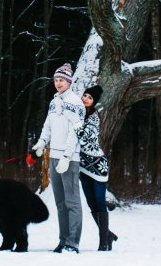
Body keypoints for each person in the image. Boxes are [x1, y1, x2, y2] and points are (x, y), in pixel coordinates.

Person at [30, 63, 85, 253]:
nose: (58, 83)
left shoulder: (76, 102)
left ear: (69, 81)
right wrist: (40, 143)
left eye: (61, 80)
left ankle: (73, 242)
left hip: (69, 158)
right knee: (60, 203)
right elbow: (48, 126)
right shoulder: (54, 102)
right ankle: (63, 240)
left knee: (72, 202)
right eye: (55, 80)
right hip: (53, 157)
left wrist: (67, 156)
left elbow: (76, 131)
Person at [65, 85, 118, 251]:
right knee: (90, 203)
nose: (86, 99)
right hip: (83, 166)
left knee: (99, 202)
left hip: (97, 165)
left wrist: (74, 125)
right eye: (85, 95)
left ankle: (104, 242)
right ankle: (108, 234)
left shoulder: (94, 116)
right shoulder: (78, 113)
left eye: (90, 98)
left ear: (94, 102)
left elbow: (86, 138)